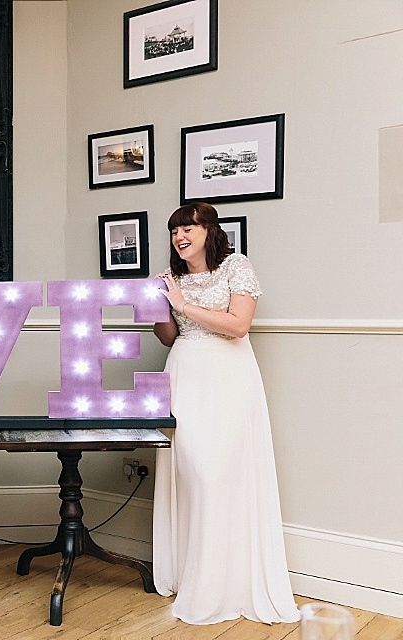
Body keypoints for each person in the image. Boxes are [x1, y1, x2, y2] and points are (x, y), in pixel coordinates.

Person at [151, 202, 299, 625]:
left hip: (228, 375)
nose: (180, 237)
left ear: (208, 231)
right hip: (184, 372)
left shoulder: (236, 266)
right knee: (189, 469)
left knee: (218, 471)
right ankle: (188, 572)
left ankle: (226, 583)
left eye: (188, 228)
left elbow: (238, 326)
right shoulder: (172, 278)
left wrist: (179, 303)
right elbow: (168, 337)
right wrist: (156, 306)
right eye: (175, 230)